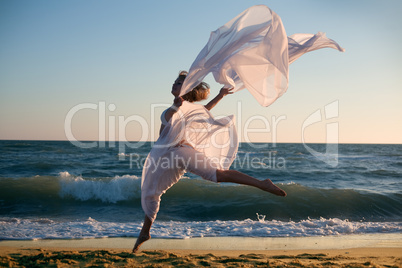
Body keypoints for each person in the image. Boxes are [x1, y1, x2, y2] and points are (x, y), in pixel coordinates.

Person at [132, 71, 286, 253]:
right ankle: (261, 183)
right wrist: (219, 96)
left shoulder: (177, 106)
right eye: (175, 81)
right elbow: (202, 112)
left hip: (173, 154)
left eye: (179, 82)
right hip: (174, 154)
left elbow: (176, 116)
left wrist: (175, 106)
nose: (174, 84)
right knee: (214, 175)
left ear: (187, 88)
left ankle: (145, 232)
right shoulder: (185, 106)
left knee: (152, 192)